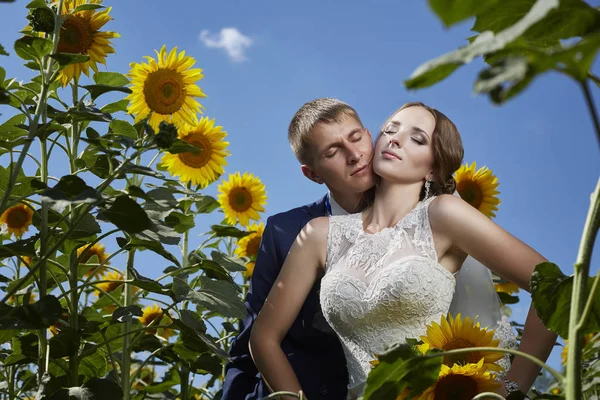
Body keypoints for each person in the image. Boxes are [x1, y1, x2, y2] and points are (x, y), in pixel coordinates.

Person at [249, 102, 557, 399]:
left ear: (434, 169)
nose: (396, 140)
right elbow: (263, 337)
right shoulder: (319, 234)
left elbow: (553, 288)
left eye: (417, 138)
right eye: (391, 130)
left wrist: (512, 390)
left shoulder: (444, 214)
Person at [222, 98, 376, 400]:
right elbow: (249, 342)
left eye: (357, 138)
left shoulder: (416, 208)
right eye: (332, 151)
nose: (354, 155)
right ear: (312, 174)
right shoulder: (285, 231)